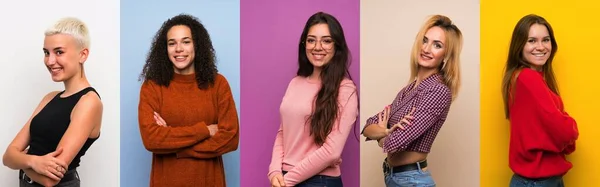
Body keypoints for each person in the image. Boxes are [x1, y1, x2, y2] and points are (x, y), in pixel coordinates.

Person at [137, 14, 239, 187]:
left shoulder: (218, 84)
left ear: (196, 45)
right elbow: (151, 139)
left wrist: (174, 143)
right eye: (172, 43)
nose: (178, 49)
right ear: (165, 49)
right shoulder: (152, 86)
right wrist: (205, 130)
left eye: (186, 41)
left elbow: (231, 138)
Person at [361, 15, 462, 187]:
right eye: (425, 41)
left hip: (412, 180)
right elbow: (367, 126)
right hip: (394, 177)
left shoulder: (437, 91)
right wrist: (385, 132)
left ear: (445, 56)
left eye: (437, 45)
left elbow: (395, 143)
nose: (427, 49)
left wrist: (381, 135)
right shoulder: (409, 89)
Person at [2, 17, 103, 187]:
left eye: (59, 52)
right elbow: (7, 157)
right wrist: (34, 162)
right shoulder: (50, 98)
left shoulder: (89, 102)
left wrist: (22, 160)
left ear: (82, 54)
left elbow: (50, 179)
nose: (50, 61)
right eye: (46, 52)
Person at [267, 12, 359, 187]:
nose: (317, 47)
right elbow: (283, 132)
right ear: (304, 44)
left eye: (326, 40)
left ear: (336, 46)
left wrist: (288, 180)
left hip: (320, 181)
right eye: (311, 40)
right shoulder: (295, 83)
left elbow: (332, 151)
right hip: (285, 178)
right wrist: (274, 171)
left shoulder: (345, 90)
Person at [501, 14, 578, 187]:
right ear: (519, 45)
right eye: (532, 41)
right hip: (538, 182)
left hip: (536, 180)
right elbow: (561, 127)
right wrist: (571, 129)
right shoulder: (528, 78)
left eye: (546, 40)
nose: (541, 47)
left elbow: (547, 124)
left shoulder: (521, 77)